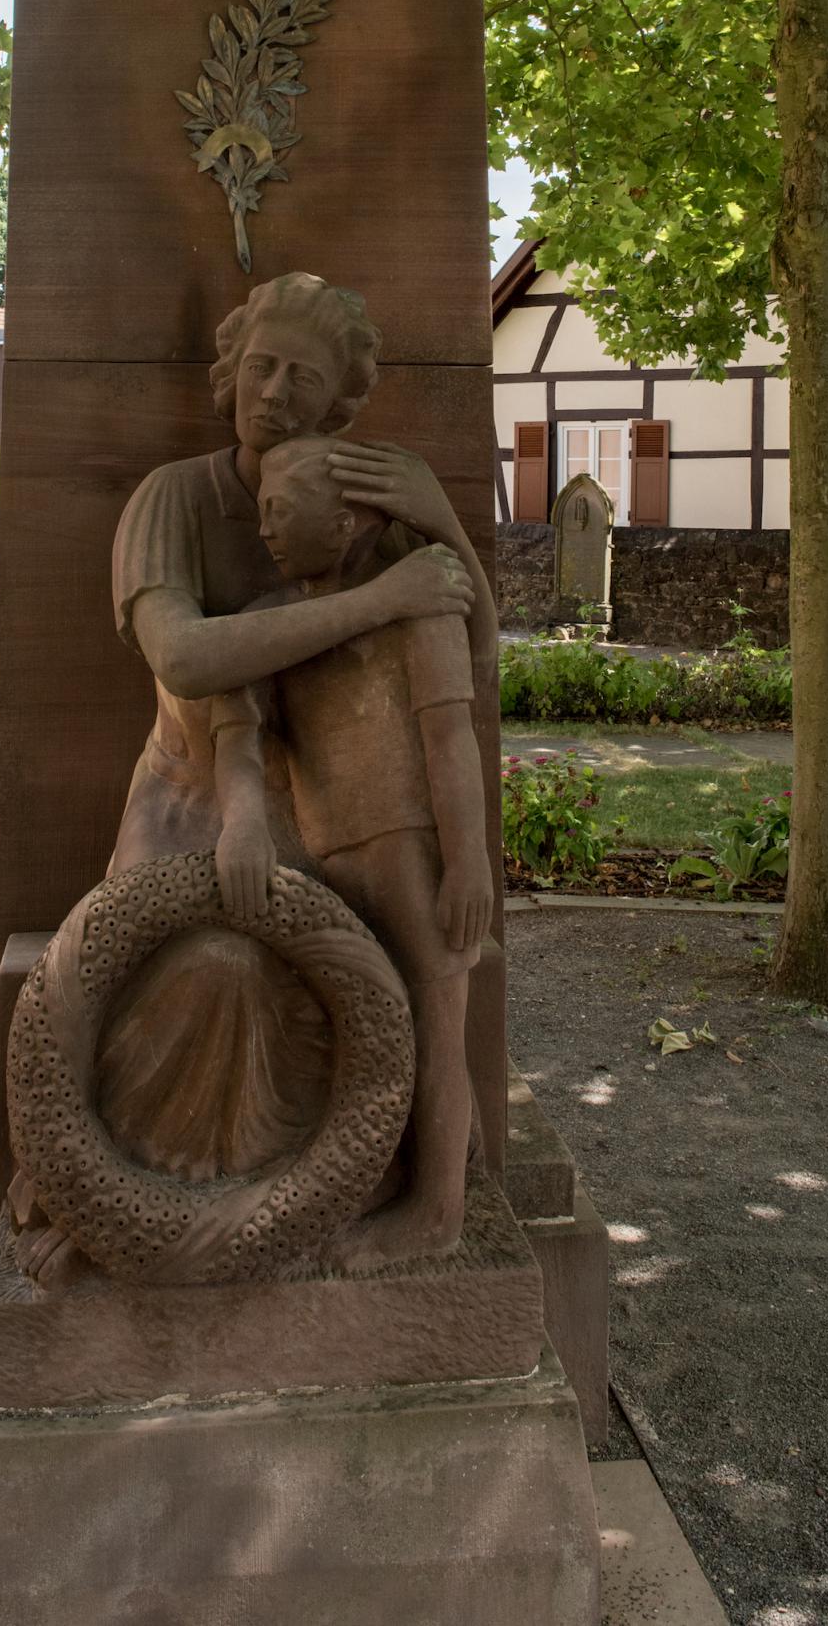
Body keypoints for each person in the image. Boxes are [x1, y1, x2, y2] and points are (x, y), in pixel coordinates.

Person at [208, 434, 494, 1269]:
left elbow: (451, 739)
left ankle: (438, 1209)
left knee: (437, 1026)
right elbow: (238, 736)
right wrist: (244, 820)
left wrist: (469, 859)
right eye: (257, 506)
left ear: (348, 520)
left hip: (411, 847)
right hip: (323, 853)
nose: (263, 525)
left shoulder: (424, 605)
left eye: (281, 507)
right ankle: (389, 1172)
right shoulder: (267, 624)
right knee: (368, 1024)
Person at [109, 271, 492, 872]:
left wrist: (444, 524)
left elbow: (473, 660)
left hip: (343, 818)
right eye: (261, 367)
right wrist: (381, 600)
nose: (273, 393)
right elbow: (183, 659)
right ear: (233, 371)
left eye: (304, 378)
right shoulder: (175, 496)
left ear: (335, 402)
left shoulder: (364, 505)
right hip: (190, 803)